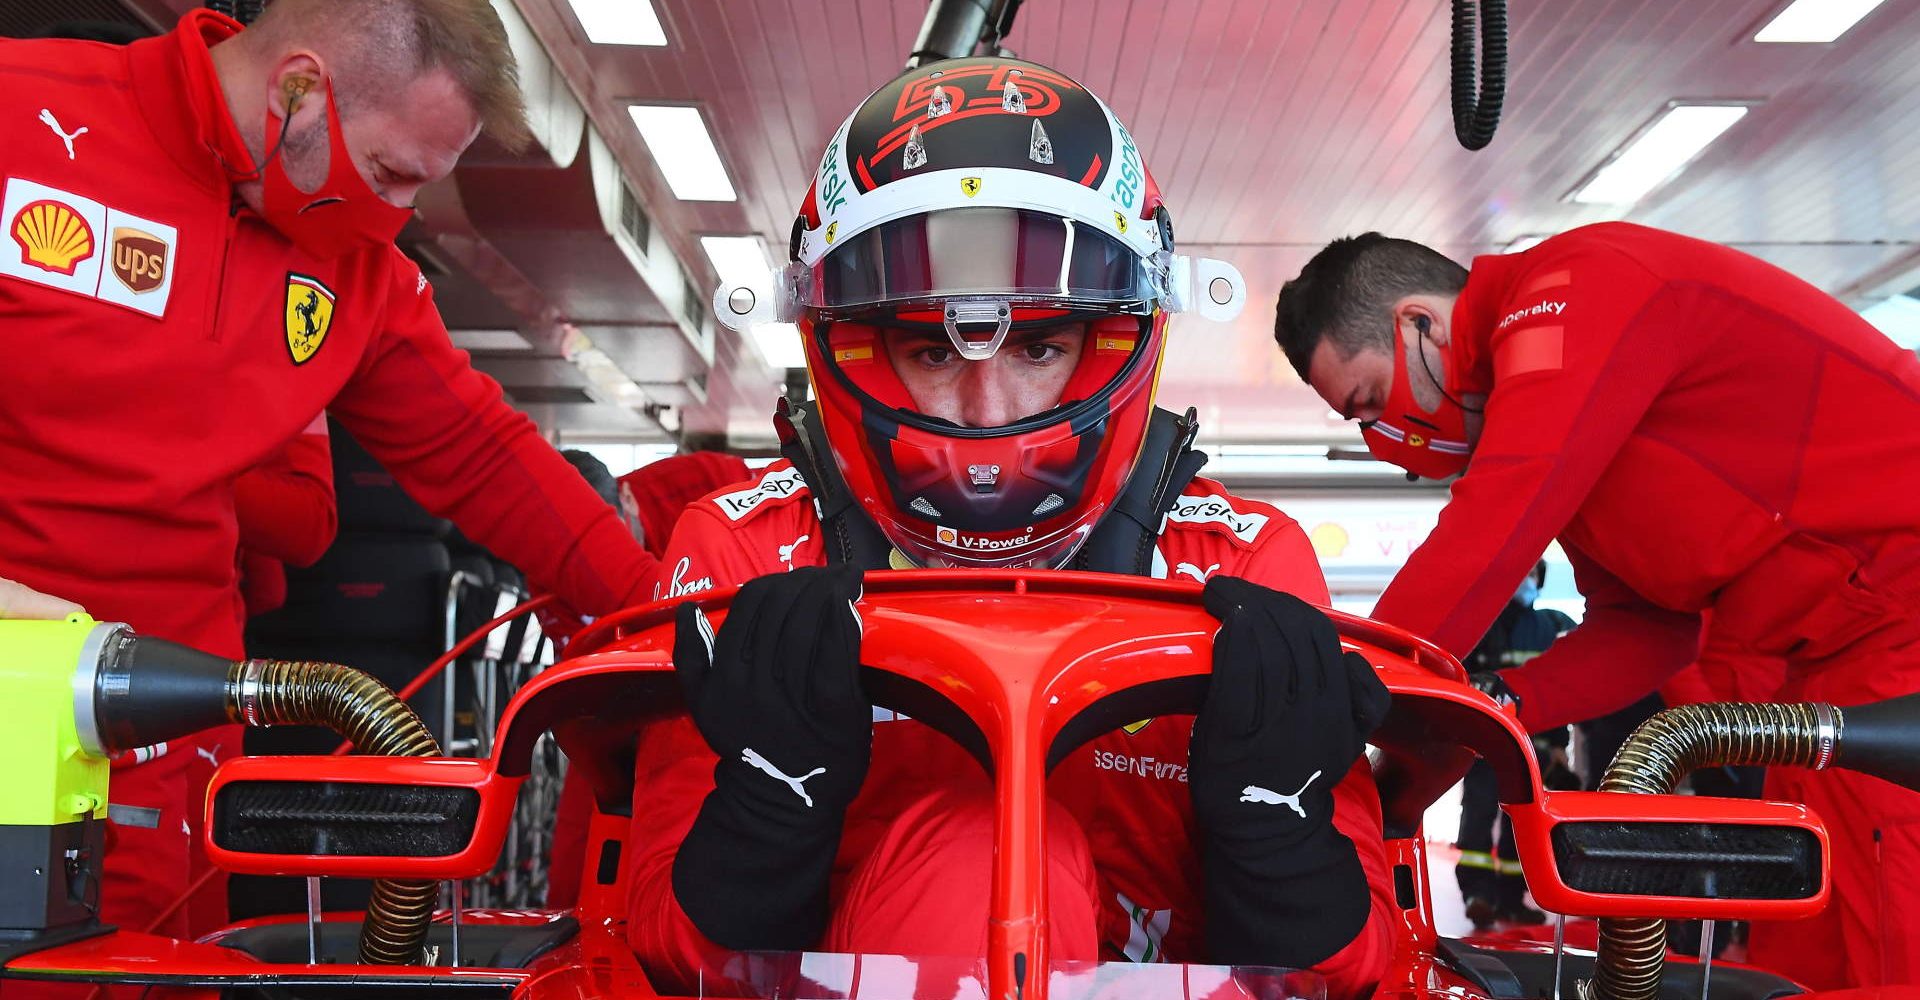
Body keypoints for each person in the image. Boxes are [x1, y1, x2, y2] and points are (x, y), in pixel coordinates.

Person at [625, 57, 1394, 999]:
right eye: (928, 346)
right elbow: (652, 955)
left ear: (1118, 336)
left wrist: (1278, 845)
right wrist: (765, 820)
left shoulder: (1239, 563)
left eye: (1038, 345)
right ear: (847, 345)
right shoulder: (740, 550)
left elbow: (1366, 970)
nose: (988, 411)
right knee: (973, 855)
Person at [0, 0, 656, 947]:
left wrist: (679, 616)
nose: (398, 215)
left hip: (171, 748)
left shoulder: (358, 271)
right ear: (297, 89)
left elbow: (484, 455)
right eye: (389, 173)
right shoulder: (24, 113)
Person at [1272, 224, 1920, 986]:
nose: (1389, 442)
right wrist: (1500, 704)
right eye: (1364, 427)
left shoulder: (1577, 289)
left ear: (1422, 323)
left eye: (1374, 402)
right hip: (1827, 679)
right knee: (1808, 963)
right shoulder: (1584, 439)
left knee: (1895, 948)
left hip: (1897, 643)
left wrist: (1322, 690)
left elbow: (1499, 517)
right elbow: (1649, 627)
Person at [1453, 560, 1573, 930]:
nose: (1525, 580)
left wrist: (1558, 744)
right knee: (1477, 818)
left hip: (1530, 751)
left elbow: (1559, 693)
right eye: (1522, 572)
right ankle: (1477, 895)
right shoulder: (1480, 628)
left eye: (1533, 575)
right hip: (1484, 746)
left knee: (1521, 827)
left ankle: (1511, 900)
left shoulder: (1548, 629)